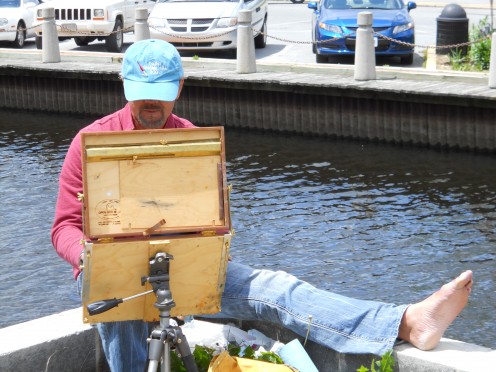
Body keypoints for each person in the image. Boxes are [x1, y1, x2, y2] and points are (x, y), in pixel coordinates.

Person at [51, 39, 473, 371]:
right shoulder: (91, 143)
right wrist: (89, 260)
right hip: (115, 273)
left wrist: (213, 244)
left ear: (179, 88)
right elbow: (64, 227)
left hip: (182, 267)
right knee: (120, 313)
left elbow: (211, 222)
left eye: (160, 94)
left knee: (276, 288)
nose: (150, 105)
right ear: (125, 89)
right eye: (142, 94)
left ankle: (404, 322)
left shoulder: (195, 142)